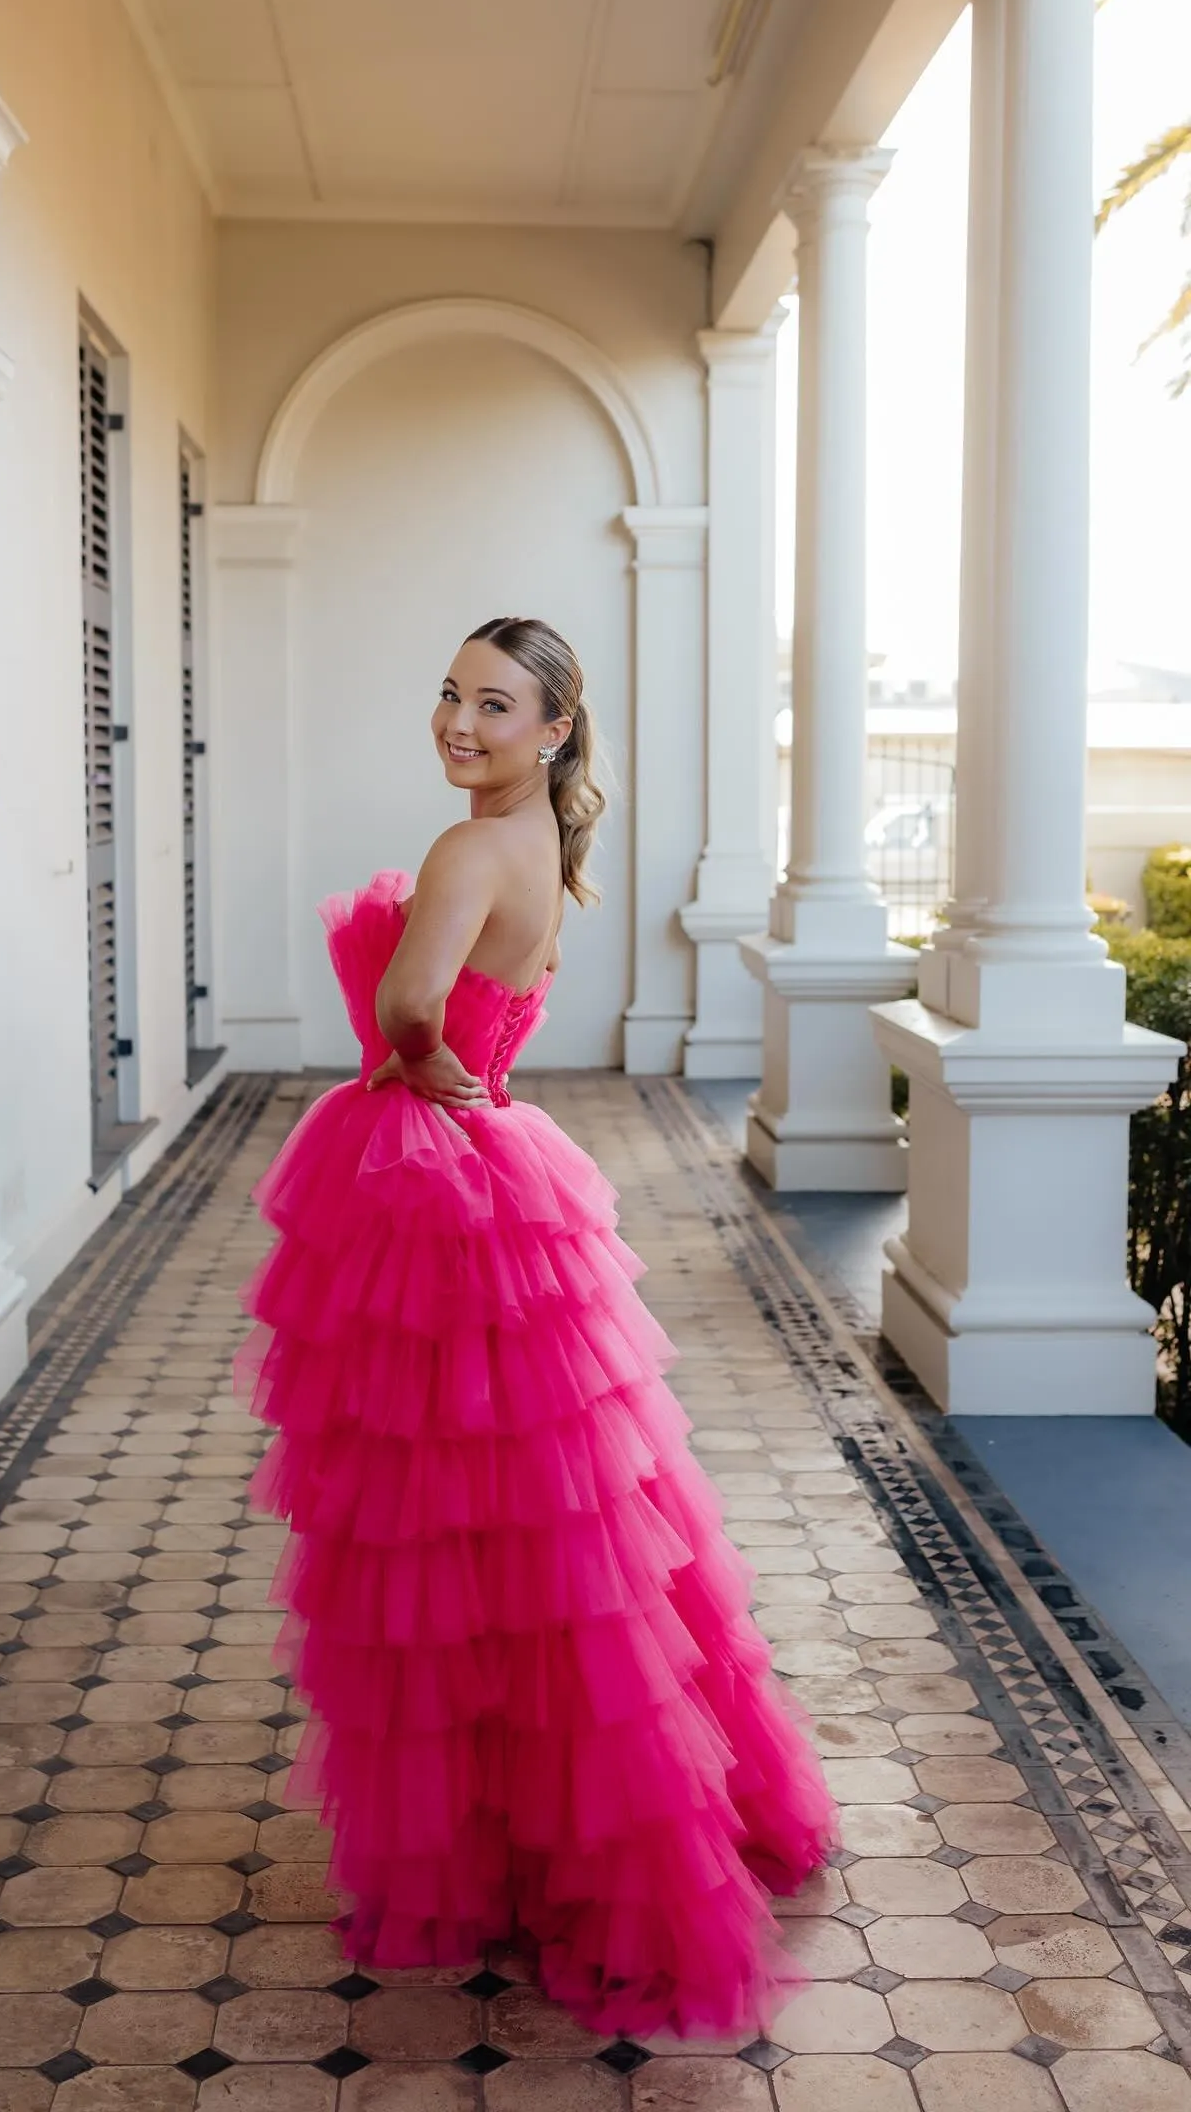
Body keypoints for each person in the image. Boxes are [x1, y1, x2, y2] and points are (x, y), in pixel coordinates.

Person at [234, 615, 836, 2040]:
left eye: (494, 706)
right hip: (497, 1167)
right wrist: (471, 1091)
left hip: (431, 1186)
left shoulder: (467, 852)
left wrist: (426, 1083)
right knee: (547, 1532)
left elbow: (406, 1009)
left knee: (441, 1528)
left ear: (555, 729)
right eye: (448, 693)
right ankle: (575, 1820)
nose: (457, 722)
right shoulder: (541, 853)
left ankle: (512, 1834)